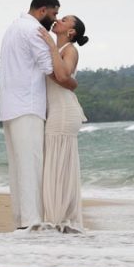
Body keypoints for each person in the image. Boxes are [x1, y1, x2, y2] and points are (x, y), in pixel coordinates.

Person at [0, 0, 76, 230]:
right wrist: (71, 81)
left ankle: (22, 221)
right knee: (31, 165)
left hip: (9, 106)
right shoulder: (33, 31)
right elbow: (53, 71)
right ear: (42, 10)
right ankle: (32, 223)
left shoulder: (13, 28)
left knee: (18, 167)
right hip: (28, 105)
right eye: (53, 13)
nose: (54, 20)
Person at [38, 15, 89, 233]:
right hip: (55, 111)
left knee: (58, 164)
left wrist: (50, 43)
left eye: (65, 19)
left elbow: (63, 74)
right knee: (55, 164)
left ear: (71, 32)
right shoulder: (57, 49)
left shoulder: (70, 50)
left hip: (64, 112)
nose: (58, 19)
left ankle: (58, 218)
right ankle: (57, 216)